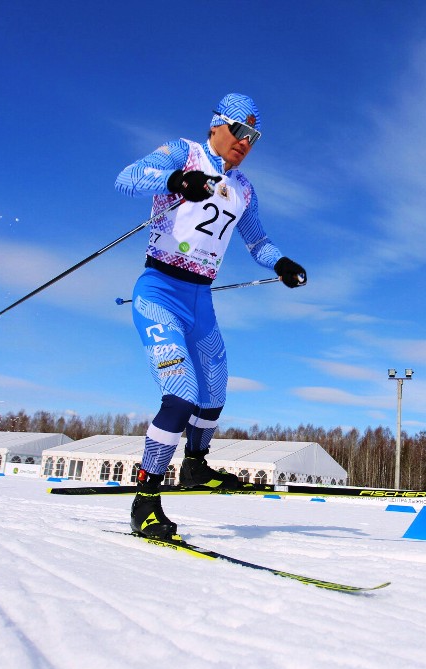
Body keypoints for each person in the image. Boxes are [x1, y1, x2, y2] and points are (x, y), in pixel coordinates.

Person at [115, 93, 307, 540]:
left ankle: (196, 466)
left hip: (201, 300)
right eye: (240, 130)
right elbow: (127, 178)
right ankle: (145, 501)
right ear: (218, 124)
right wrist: (178, 182)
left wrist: (281, 263)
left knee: (214, 390)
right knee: (180, 395)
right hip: (160, 290)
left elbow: (257, 240)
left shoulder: (244, 188)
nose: (245, 141)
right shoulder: (185, 152)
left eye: (254, 136)